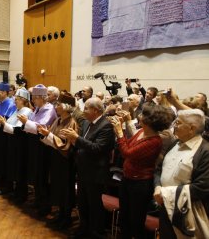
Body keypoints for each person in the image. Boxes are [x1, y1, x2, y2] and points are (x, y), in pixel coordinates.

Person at [109, 105, 174, 238]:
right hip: (127, 179)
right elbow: (128, 145)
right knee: (124, 216)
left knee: (136, 220)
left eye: (143, 115)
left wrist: (119, 131)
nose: (139, 116)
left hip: (140, 183)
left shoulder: (154, 141)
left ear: (150, 121)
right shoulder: (141, 132)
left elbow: (127, 152)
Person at [60, 97, 115, 238]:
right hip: (83, 169)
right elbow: (81, 144)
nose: (83, 111)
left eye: (86, 109)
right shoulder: (86, 123)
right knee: (82, 203)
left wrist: (76, 138)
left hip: (95, 172)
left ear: (95, 110)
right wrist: (70, 139)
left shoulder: (106, 126)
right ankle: (83, 229)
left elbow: (97, 148)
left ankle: (96, 232)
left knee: (94, 204)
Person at [154, 109, 209, 238]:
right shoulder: (174, 143)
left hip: (188, 212)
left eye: (178, 123)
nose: (174, 126)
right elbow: (158, 170)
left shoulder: (205, 151)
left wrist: (166, 193)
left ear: (191, 128)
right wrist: (157, 186)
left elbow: (202, 187)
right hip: (165, 205)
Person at [38, 91, 81, 229]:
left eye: (58, 104)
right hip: (55, 158)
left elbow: (67, 145)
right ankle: (60, 214)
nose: (56, 106)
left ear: (66, 106)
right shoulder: (58, 120)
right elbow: (52, 136)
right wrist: (46, 134)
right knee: (57, 187)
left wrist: (49, 135)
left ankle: (66, 217)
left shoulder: (72, 122)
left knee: (65, 189)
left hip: (65, 161)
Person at [18, 84, 57, 215]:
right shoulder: (38, 109)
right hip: (34, 144)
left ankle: (45, 205)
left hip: (42, 146)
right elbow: (31, 122)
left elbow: (43, 126)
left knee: (42, 175)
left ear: (42, 98)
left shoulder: (49, 109)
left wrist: (26, 122)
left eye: (35, 98)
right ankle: (38, 200)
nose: (33, 100)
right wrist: (26, 122)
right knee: (35, 173)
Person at [0, 88, 32, 203]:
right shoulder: (17, 110)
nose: (15, 101)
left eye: (17, 99)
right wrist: (4, 123)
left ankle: (21, 195)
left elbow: (17, 130)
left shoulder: (26, 111)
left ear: (24, 100)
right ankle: (15, 191)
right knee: (13, 167)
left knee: (19, 168)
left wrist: (3, 123)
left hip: (20, 144)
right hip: (13, 142)